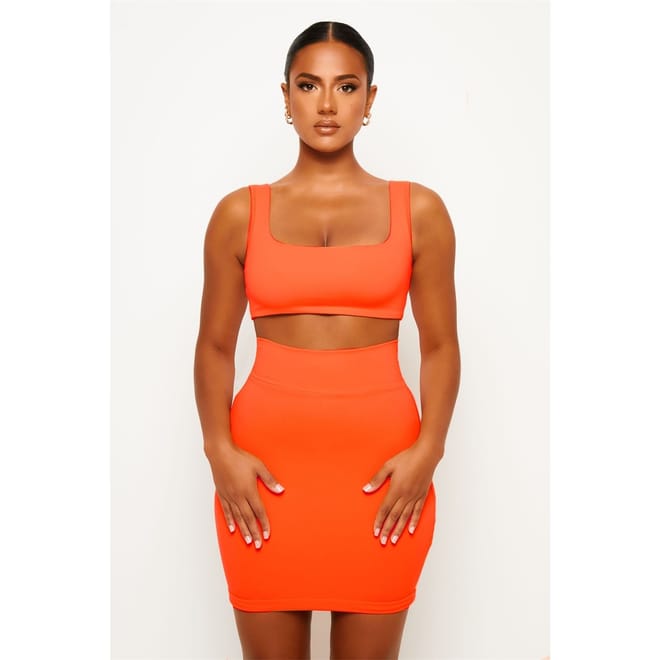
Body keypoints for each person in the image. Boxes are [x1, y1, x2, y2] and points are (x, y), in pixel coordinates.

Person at [194, 20, 460, 660]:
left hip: (382, 479)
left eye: (346, 86)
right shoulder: (238, 214)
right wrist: (218, 449)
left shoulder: (420, 211)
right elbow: (214, 347)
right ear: (285, 96)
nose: (327, 104)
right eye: (309, 85)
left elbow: (440, 346)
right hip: (265, 480)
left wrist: (429, 450)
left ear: (370, 100)